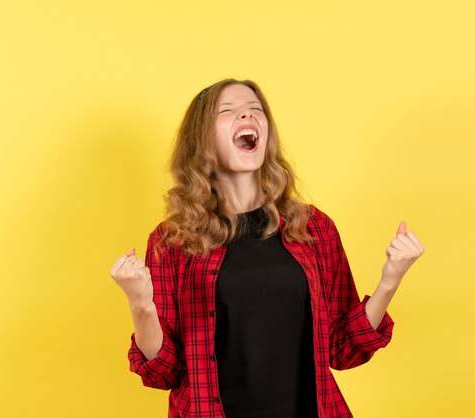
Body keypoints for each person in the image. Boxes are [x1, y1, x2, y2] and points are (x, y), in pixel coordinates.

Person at [110, 79, 425, 418]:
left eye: (255, 110)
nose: (246, 115)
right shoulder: (172, 241)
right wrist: (140, 303)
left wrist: (390, 281)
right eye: (227, 111)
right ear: (201, 140)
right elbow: (164, 371)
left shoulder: (313, 227)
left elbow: (342, 349)